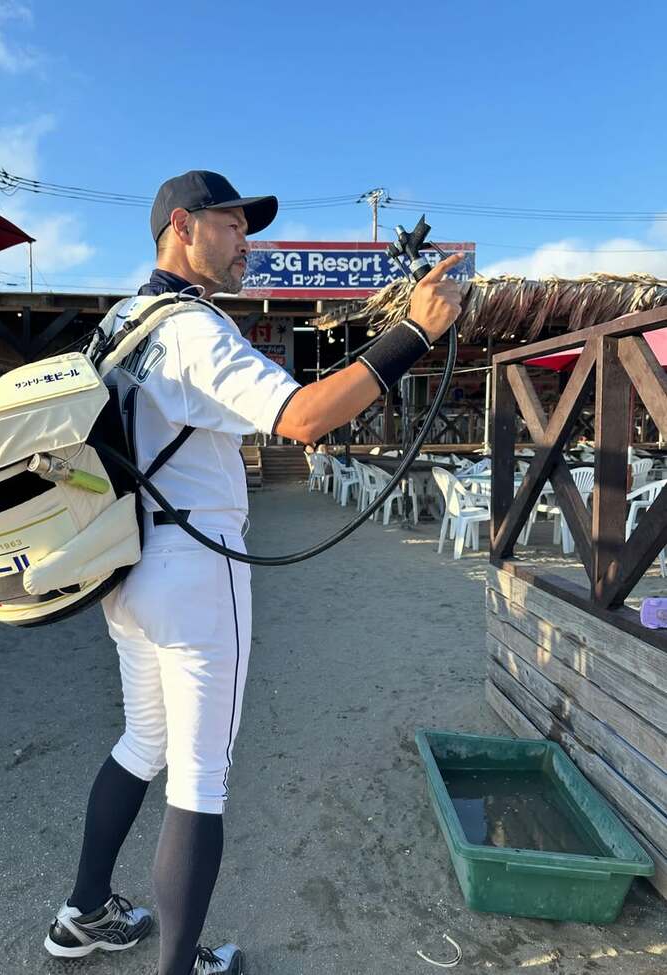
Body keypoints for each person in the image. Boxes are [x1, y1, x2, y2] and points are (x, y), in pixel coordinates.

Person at [44, 170, 462, 974]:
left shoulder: (121, 322)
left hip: (126, 565)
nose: (247, 241)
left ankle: (83, 911)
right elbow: (303, 417)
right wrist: (414, 333)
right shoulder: (194, 328)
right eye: (232, 225)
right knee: (200, 778)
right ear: (182, 226)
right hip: (196, 565)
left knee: (144, 738)